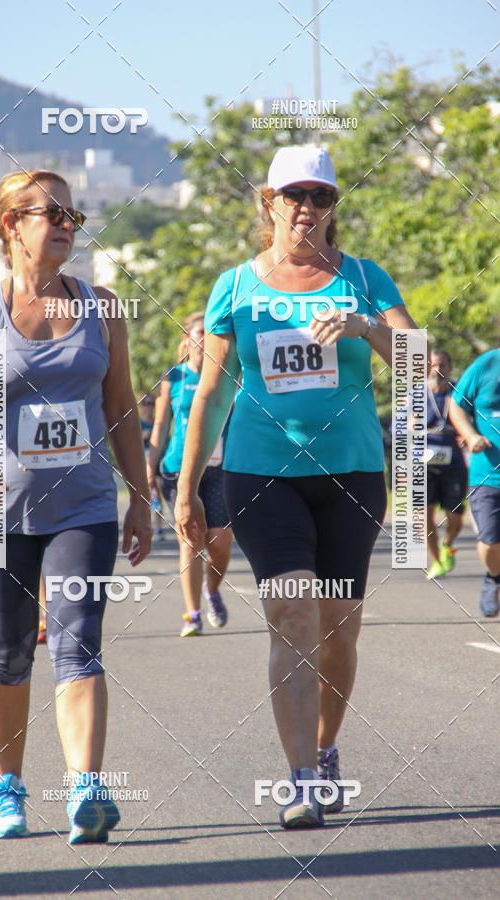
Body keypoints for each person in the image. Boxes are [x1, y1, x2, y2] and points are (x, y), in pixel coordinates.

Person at [174, 144, 420, 827]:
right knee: (291, 612)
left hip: (351, 477)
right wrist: (187, 486)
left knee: (339, 630)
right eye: (294, 195)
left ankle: (326, 746)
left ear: (333, 207)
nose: (307, 208)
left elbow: (424, 361)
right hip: (262, 474)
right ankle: (300, 779)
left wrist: (367, 325)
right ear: (270, 203)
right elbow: (213, 393)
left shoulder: (365, 278)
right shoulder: (236, 286)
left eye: (321, 197)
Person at [0, 169, 151, 842]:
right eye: (51, 213)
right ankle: (5, 789)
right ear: (11, 225)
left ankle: (86, 789)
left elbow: (121, 408)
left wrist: (141, 498)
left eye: (73, 215)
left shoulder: (103, 307)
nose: (67, 224)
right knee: (8, 651)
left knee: (78, 639)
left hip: (83, 507)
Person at [147, 312, 233, 636]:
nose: (204, 338)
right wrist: (149, 467)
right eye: (199, 332)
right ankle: (192, 614)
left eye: (209, 333)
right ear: (187, 338)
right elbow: (159, 425)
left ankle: (212, 591)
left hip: (218, 468)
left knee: (220, 543)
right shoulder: (174, 377)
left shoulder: (226, 375)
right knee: (191, 540)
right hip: (177, 471)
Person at [450, 351, 500, 617]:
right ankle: (494, 577)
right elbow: (456, 405)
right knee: (490, 542)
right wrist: (469, 435)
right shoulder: (486, 364)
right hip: (488, 475)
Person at [424, 350, 467, 580]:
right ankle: (437, 562)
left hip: (454, 462)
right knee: (424, 514)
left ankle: (448, 541)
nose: (436, 370)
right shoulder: (414, 395)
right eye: (431, 365)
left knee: (456, 516)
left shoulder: (459, 393)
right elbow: (397, 428)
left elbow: (475, 420)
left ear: (449, 368)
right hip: (422, 464)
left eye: (441, 365)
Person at [139, 394, 165, 540]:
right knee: (147, 494)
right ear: (142, 406)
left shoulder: (157, 423)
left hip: (157, 461)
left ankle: (158, 527)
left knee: (158, 492)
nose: (149, 407)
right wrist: (142, 436)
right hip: (143, 461)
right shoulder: (139, 424)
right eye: (146, 404)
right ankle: (146, 526)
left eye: (152, 404)